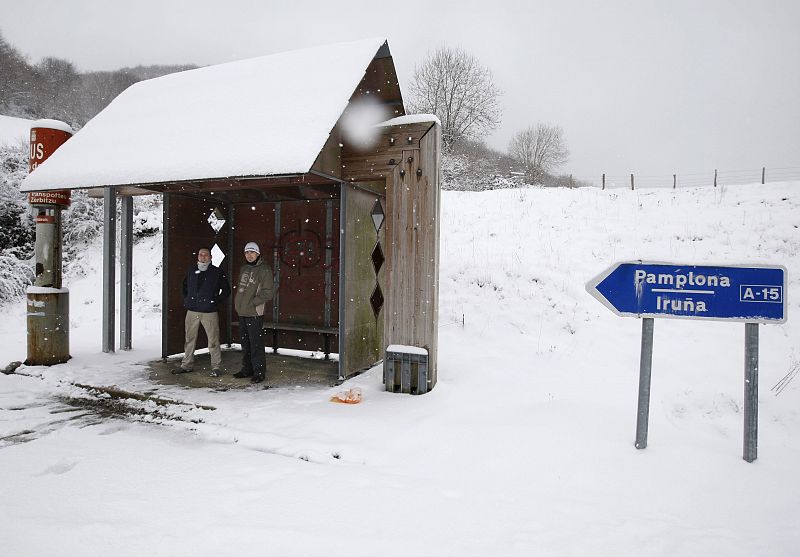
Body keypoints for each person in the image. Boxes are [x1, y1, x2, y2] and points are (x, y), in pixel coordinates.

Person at [173, 247, 230, 377]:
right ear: (197, 256)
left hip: (209, 312)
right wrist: (188, 299)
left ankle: (216, 367)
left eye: (206, 255)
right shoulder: (192, 270)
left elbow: (226, 291)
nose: (203, 257)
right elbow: (184, 286)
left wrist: (214, 301)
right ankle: (186, 365)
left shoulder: (217, 272)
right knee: (189, 339)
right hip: (192, 311)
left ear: (211, 257)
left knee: (213, 340)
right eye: (200, 254)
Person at [233, 241, 275, 383]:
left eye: (252, 252)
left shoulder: (264, 270)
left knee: (256, 343)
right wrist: (239, 305)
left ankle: (259, 371)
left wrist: (252, 303)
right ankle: (247, 369)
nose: (249, 255)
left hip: (255, 313)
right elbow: (241, 289)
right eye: (247, 252)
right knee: (245, 343)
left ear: (258, 254)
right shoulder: (244, 268)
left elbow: (268, 293)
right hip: (242, 312)